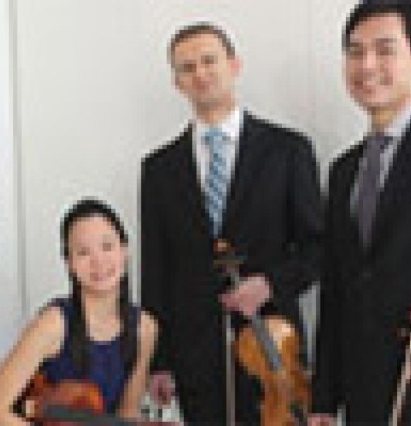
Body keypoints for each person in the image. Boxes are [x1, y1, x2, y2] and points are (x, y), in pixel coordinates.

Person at [140, 22, 323, 424]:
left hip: (273, 350)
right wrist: (159, 360)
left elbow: (318, 249)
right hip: (194, 356)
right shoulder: (158, 169)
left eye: (209, 61)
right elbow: (156, 271)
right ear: (177, 83)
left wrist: (270, 283)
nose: (200, 74)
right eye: (187, 68)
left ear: (235, 65)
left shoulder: (288, 150)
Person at [311, 1, 411, 424]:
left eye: (385, 49)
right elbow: (336, 289)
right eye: (355, 51)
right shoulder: (344, 169)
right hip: (365, 394)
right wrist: (323, 401)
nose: (367, 65)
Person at [0, 198, 158, 425]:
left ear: (124, 251)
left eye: (107, 246)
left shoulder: (145, 328)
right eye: (83, 252)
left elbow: (127, 415)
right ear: (70, 263)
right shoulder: (53, 324)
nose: (98, 261)